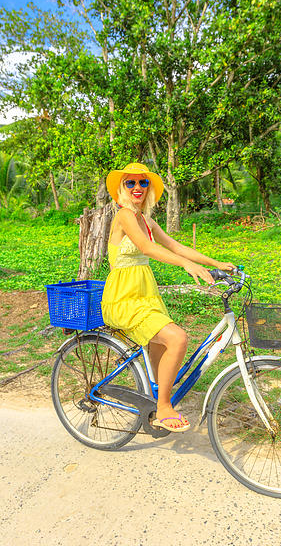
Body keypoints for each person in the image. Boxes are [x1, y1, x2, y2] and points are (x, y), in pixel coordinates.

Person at [101, 162, 235, 433]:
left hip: (146, 296)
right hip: (123, 299)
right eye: (131, 183)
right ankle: (163, 408)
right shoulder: (125, 216)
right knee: (178, 338)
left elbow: (174, 245)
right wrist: (186, 266)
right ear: (122, 188)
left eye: (143, 183)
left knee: (162, 349)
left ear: (148, 188)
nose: (137, 187)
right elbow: (147, 248)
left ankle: (152, 400)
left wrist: (217, 264)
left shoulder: (146, 220)